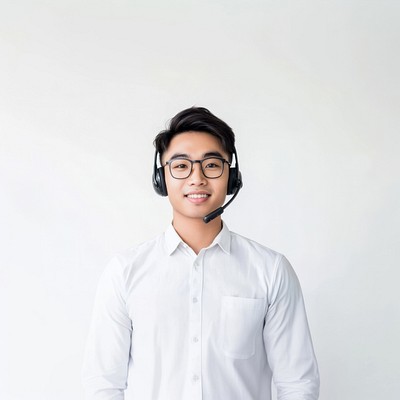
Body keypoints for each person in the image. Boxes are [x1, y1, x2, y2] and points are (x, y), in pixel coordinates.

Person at [82, 107, 320, 400]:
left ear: (232, 177)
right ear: (161, 177)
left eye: (211, 164)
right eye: (181, 166)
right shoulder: (124, 271)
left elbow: (297, 383)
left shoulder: (270, 270)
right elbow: (103, 384)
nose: (197, 178)